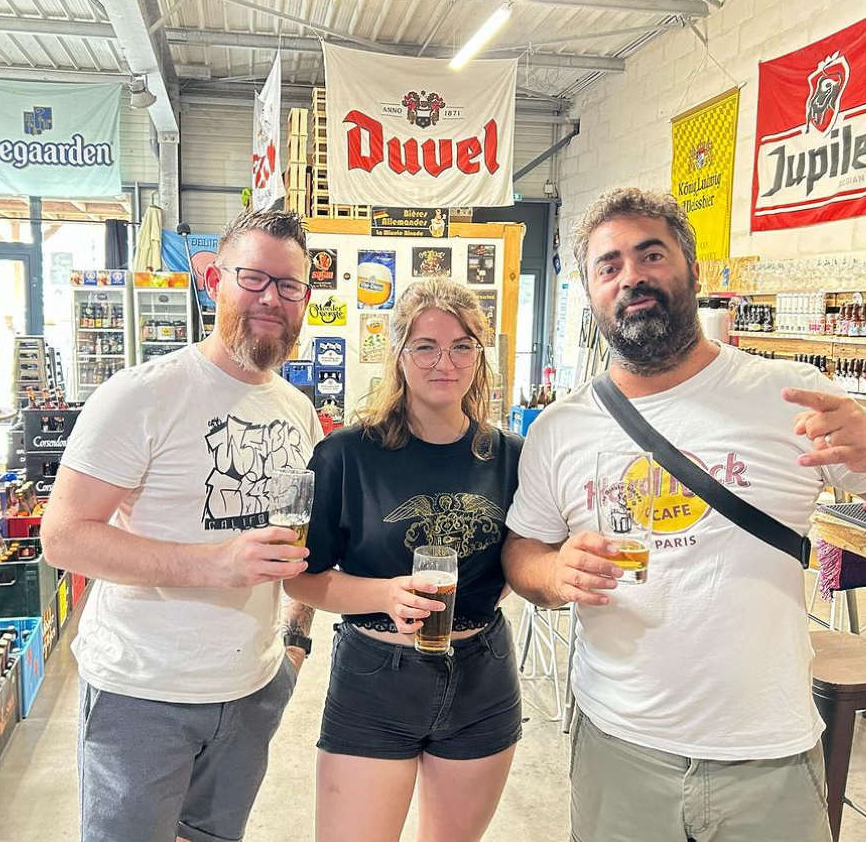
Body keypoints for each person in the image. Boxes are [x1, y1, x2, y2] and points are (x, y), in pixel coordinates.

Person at [501, 187, 866, 842]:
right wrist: (553, 574)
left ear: (693, 271)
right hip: (619, 746)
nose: (631, 276)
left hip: (769, 751)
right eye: (609, 265)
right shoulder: (561, 427)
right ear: (591, 292)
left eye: (651, 254)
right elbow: (521, 550)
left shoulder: (789, 395)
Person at [41, 209, 324, 842]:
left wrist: (294, 644)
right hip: (141, 696)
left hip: (252, 692)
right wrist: (215, 564)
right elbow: (62, 536)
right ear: (214, 280)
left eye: (289, 286)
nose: (271, 299)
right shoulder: (142, 394)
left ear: (305, 299)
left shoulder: (298, 411)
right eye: (253, 279)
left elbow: (302, 543)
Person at [285, 278, 524, 842]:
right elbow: (301, 580)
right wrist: (384, 595)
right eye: (426, 347)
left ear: (479, 355)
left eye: (461, 346)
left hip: (482, 675)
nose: (445, 362)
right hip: (375, 676)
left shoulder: (511, 456)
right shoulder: (346, 454)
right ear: (398, 355)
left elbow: (518, 562)